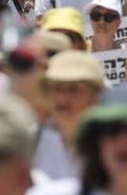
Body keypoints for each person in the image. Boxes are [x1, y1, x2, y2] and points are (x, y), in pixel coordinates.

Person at [32, 51, 107, 180]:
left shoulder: (111, 144)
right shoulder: (30, 142)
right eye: (56, 88)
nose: (63, 98)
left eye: (74, 89)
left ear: (95, 97)